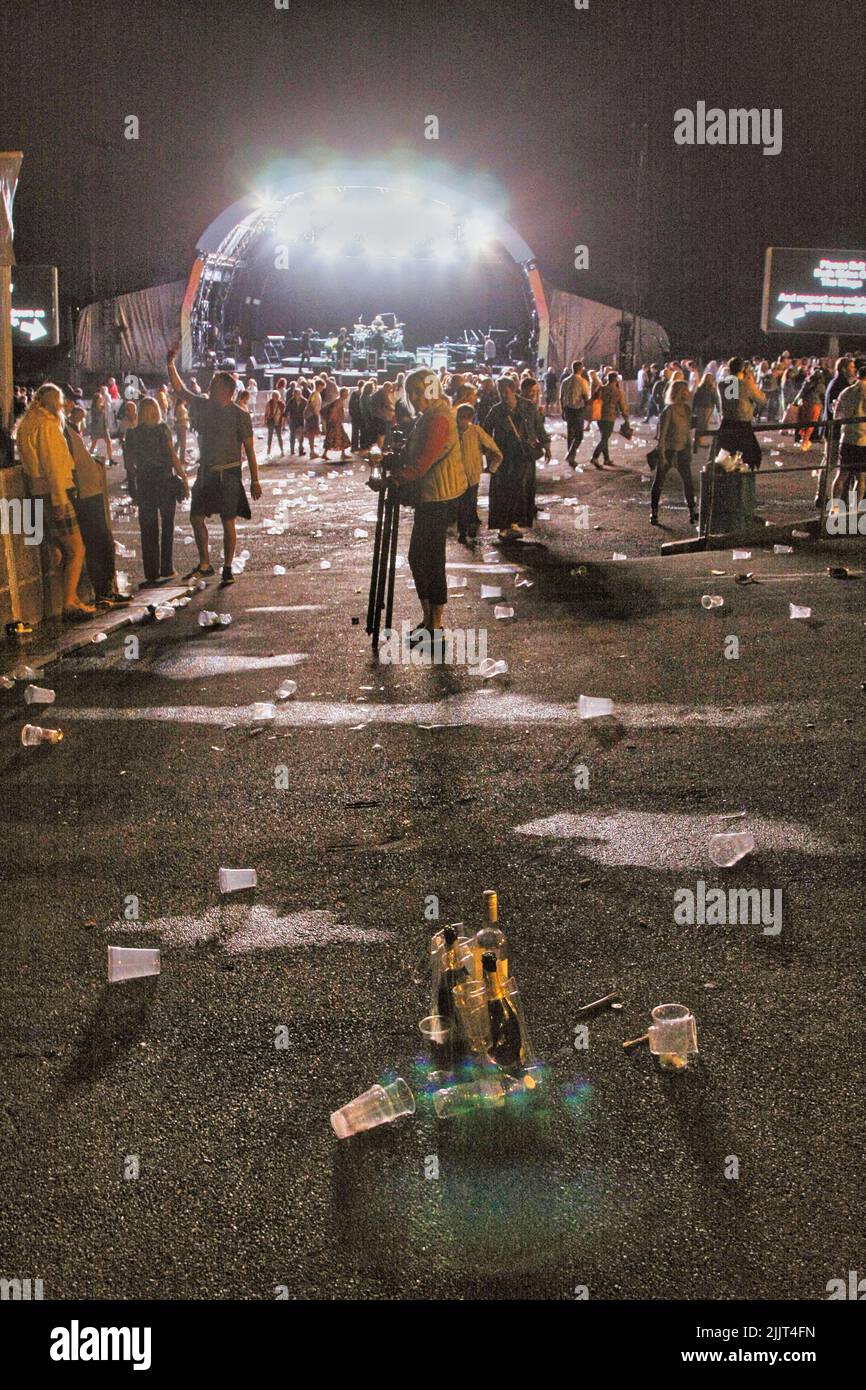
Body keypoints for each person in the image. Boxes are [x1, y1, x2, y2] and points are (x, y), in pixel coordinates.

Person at [166, 349, 261, 587]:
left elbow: (250, 449)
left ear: (225, 390)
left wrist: (255, 480)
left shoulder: (240, 415)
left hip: (229, 472)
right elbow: (181, 391)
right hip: (207, 472)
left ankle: (227, 567)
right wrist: (170, 364)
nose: (210, 386)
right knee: (196, 517)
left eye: (215, 384)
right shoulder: (205, 405)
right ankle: (205, 564)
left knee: (228, 521)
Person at [387, 368, 468, 639]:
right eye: (411, 393)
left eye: (417, 392)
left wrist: (397, 476)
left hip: (438, 497)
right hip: (432, 495)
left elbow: (422, 463)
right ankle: (429, 619)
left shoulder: (438, 418)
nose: (414, 398)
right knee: (422, 557)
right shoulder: (432, 414)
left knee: (429, 558)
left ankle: (435, 622)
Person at [17, 383, 95, 621]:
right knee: (77, 548)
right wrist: (60, 500)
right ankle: (69, 602)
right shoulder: (48, 425)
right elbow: (52, 466)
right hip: (55, 493)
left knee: (60, 551)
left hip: (39, 493)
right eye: (61, 402)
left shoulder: (27, 424)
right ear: (53, 403)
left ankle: (68, 599)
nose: (63, 406)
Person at [63, 399, 130, 608]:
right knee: (98, 542)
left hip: (87, 488)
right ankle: (104, 591)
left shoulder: (63, 427)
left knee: (101, 541)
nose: (67, 405)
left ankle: (106, 590)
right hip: (84, 491)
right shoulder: (57, 429)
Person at [125, 397, 190, 586]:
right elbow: (173, 456)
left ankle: (151, 571)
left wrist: (137, 479)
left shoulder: (133, 434)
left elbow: (129, 464)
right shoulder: (162, 430)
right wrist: (184, 478)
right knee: (167, 524)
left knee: (148, 527)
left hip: (145, 482)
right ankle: (167, 567)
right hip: (164, 480)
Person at [485, 377, 538, 539]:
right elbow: (485, 432)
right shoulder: (496, 410)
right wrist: (489, 453)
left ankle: (515, 522)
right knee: (503, 489)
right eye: (500, 391)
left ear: (513, 390)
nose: (503, 395)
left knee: (521, 488)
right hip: (503, 455)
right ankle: (503, 525)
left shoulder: (528, 406)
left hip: (523, 454)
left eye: (505, 391)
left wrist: (545, 444)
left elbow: (538, 426)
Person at [651, 380, 697, 526]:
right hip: (669, 451)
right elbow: (662, 436)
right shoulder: (668, 411)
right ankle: (654, 512)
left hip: (682, 451)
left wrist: (689, 450)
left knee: (688, 482)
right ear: (678, 392)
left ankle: (692, 511)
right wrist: (662, 455)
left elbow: (688, 433)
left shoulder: (687, 410)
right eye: (685, 390)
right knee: (659, 482)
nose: (688, 393)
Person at [455, 402, 502, 544]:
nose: (461, 420)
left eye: (465, 417)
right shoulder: (452, 432)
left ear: (470, 418)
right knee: (461, 503)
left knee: (470, 501)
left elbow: (494, 449)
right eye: (460, 417)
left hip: (472, 474)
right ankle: (463, 530)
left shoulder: (476, 431)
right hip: (456, 474)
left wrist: (492, 468)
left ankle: (468, 526)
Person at [717, 357, 765, 469]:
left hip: (727, 423)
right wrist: (751, 382)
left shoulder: (722, 384)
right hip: (742, 424)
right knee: (750, 456)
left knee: (726, 457)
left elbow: (733, 396)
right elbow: (762, 400)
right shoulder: (745, 384)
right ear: (743, 369)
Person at [830, 364, 866, 505]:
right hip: (863, 440)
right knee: (860, 479)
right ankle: (854, 509)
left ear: (858, 375)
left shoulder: (846, 391)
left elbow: (837, 415)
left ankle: (834, 508)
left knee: (841, 475)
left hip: (846, 439)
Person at [591, 371, 629, 468]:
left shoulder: (601, 388)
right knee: (605, 438)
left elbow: (593, 399)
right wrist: (626, 418)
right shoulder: (618, 392)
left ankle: (606, 459)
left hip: (599, 415)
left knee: (604, 437)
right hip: (609, 416)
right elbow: (622, 407)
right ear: (616, 380)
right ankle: (595, 457)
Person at [560, 360, 591, 466]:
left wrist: (562, 410)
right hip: (578, 410)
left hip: (568, 409)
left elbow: (561, 397)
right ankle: (571, 454)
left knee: (570, 433)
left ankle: (571, 456)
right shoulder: (583, 381)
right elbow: (586, 397)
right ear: (580, 369)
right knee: (579, 435)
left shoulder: (565, 381)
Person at [324, 386, 351, 461]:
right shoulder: (338, 402)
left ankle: (343, 454)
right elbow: (333, 412)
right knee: (332, 438)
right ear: (343, 394)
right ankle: (324, 454)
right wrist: (332, 421)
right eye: (346, 393)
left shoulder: (340, 401)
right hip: (335, 423)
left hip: (337, 423)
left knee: (341, 437)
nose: (347, 395)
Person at [88, 387, 114, 464]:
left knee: (109, 442)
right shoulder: (94, 408)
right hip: (96, 428)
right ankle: (88, 458)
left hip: (104, 427)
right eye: (100, 398)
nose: (101, 399)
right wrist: (101, 412)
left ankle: (111, 459)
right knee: (94, 444)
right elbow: (95, 418)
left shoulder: (102, 407)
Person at [304, 377, 323, 458]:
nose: (322, 388)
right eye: (322, 386)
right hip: (312, 416)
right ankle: (312, 452)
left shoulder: (315, 393)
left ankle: (312, 451)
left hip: (313, 415)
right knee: (311, 433)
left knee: (312, 433)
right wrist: (315, 414)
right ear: (319, 386)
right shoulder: (315, 394)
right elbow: (311, 404)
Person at [264, 390, 286, 455]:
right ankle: (269, 449)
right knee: (270, 435)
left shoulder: (281, 404)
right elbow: (266, 412)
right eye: (274, 396)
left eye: (276, 396)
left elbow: (284, 414)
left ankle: (282, 449)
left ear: (278, 397)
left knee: (279, 436)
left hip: (278, 421)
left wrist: (283, 423)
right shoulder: (269, 403)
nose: (275, 398)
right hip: (271, 420)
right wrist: (265, 420)